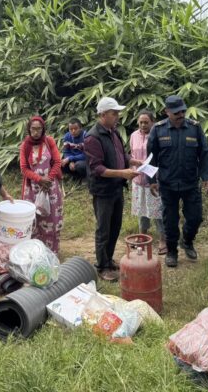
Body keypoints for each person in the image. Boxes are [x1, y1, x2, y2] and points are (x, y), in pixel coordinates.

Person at [148, 95, 208, 268]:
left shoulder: (194, 128)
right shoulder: (158, 129)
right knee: (170, 221)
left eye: (183, 110)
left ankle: (187, 241)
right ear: (167, 112)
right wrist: (151, 180)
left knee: (196, 217)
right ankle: (171, 251)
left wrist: (207, 177)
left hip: (190, 182)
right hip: (167, 184)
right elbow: (151, 157)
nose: (181, 114)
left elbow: (205, 153)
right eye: (176, 112)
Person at [84, 97, 140, 282]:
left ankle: (108, 259)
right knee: (104, 229)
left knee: (115, 226)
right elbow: (97, 168)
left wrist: (131, 161)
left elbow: (119, 153)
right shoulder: (93, 137)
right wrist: (122, 173)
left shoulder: (112, 132)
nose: (117, 116)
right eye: (114, 113)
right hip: (103, 191)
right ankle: (101, 266)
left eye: (117, 113)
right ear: (103, 114)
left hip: (116, 187)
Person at [19, 116, 64, 253]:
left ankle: (51, 251)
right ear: (29, 129)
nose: (36, 132)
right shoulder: (25, 145)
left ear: (43, 129)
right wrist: (39, 179)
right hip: (32, 189)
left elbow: (57, 162)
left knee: (51, 219)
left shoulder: (49, 141)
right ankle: (35, 252)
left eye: (39, 129)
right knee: (33, 220)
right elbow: (24, 168)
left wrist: (49, 179)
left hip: (50, 188)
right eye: (33, 129)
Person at [129, 110, 166, 254]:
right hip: (138, 179)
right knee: (141, 209)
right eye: (141, 122)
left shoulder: (158, 135)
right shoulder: (133, 136)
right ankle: (142, 236)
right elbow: (131, 154)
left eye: (146, 122)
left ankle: (163, 239)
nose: (143, 125)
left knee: (158, 211)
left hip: (154, 179)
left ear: (153, 122)